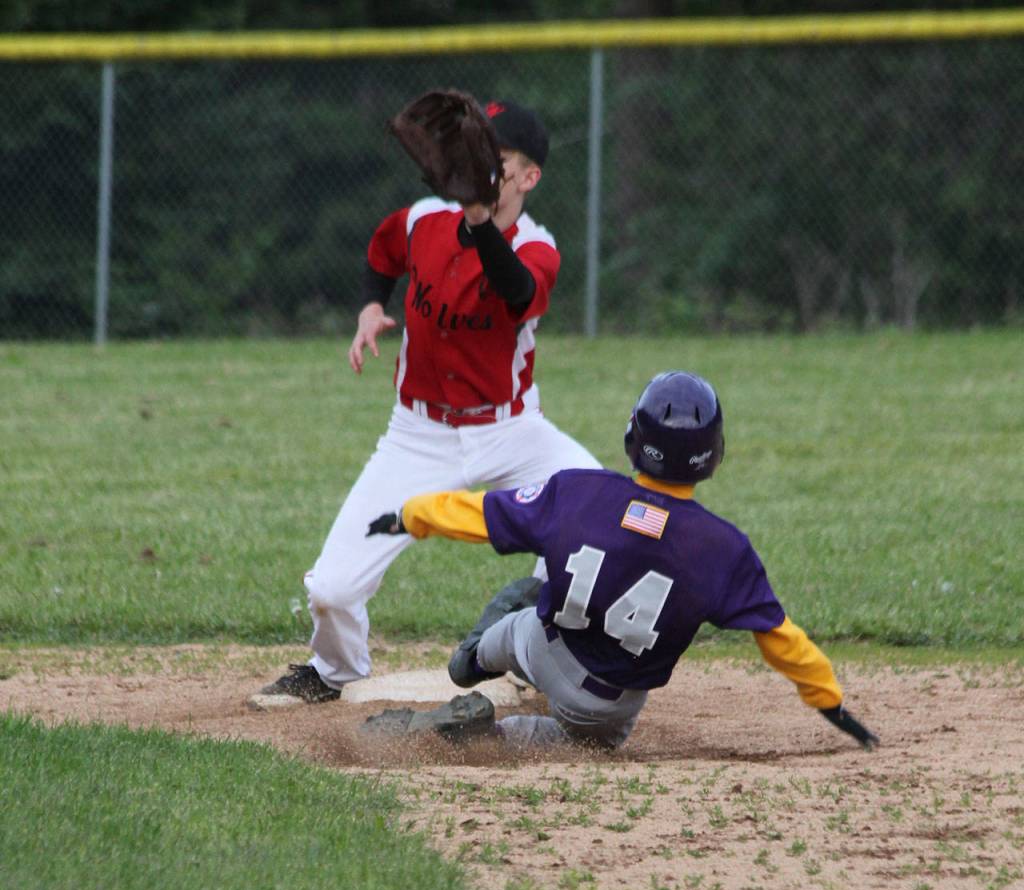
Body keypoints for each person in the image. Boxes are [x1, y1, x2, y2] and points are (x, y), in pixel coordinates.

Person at [257, 97, 600, 705]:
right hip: (416, 436)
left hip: (513, 433)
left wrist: (477, 220)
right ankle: (333, 671)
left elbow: (516, 290)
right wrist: (369, 306)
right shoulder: (424, 219)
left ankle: (541, 652)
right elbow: (382, 252)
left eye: (498, 158)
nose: (482, 166)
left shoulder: (537, 246)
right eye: (476, 153)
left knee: (597, 514)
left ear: (529, 177)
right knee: (331, 590)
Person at [364, 371, 880, 751]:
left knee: (522, 611)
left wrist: (410, 516)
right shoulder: (723, 549)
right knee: (573, 746)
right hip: (610, 707)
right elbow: (780, 639)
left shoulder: (578, 491)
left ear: (634, 438)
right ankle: (485, 739)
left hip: (544, 648)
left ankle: (473, 661)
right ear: (714, 454)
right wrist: (829, 702)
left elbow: (477, 515)